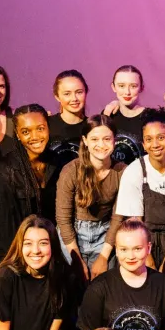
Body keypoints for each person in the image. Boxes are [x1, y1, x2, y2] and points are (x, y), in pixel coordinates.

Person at [0, 105, 61, 301]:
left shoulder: (57, 162)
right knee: (8, 300)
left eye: (40, 128)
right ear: (18, 135)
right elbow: (6, 227)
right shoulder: (6, 170)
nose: (35, 136)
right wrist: (24, 262)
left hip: (33, 242)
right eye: (26, 131)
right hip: (1, 246)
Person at [112, 110, 165, 282]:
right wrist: (148, 260)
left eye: (161, 138)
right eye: (149, 139)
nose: (155, 144)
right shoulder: (134, 171)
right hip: (142, 244)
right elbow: (136, 222)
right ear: (144, 145)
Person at [54, 115, 126, 279]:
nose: (101, 145)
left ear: (114, 140)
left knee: (102, 286)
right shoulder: (71, 170)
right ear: (85, 140)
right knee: (74, 285)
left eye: (107, 139)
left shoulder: (122, 171)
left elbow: (118, 217)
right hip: (72, 234)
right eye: (94, 139)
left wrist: (104, 257)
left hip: (106, 235)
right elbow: (63, 218)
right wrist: (75, 257)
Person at [105, 65, 148, 165]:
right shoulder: (108, 115)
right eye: (121, 86)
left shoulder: (150, 118)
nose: (127, 92)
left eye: (133, 86)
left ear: (141, 88)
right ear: (113, 87)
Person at [47, 69, 89, 161]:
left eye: (79, 92)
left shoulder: (92, 127)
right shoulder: (47, 125)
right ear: (57, 96)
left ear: (86, 92)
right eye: (67, 94)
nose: (74, 98)